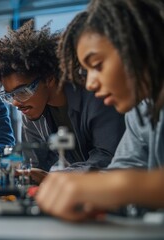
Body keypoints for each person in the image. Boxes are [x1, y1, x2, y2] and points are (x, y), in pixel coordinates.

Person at [36, 0, 164, 221]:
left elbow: (121, 181)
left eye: (97, 65)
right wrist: (91, 194)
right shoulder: (141, 110)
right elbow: (125, 166)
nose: (90, 84)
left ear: (139, 45)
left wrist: (117, 186)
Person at [0, 20, 125, 182]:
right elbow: (35, 164)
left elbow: (108, 158)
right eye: (10, 96)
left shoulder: (97, 97)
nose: (16, 103)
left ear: (49, 79)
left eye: (22, 92)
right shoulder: (31, 111)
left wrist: (55, 177)